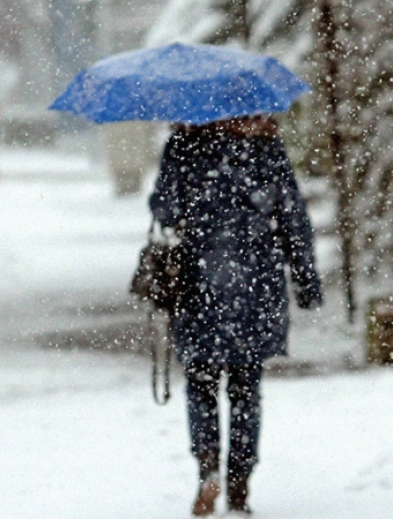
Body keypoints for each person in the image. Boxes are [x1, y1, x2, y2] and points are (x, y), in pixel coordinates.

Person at [148, 115, 322, 516]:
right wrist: (305, 279)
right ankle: (240, 480)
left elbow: (165, 209)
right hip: (256, 282)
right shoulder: (265, 146)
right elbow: (293, 217)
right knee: (246, 388)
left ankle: (208, 466)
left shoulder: (184, 146)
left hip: (200, 280)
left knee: (201, 384)